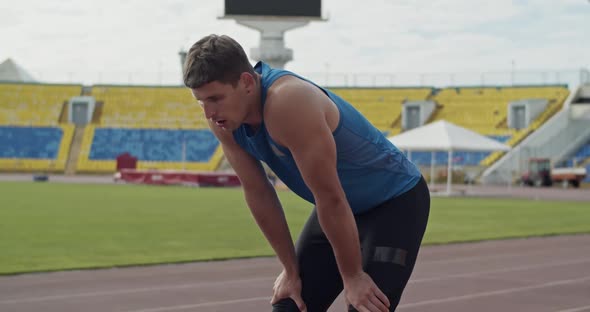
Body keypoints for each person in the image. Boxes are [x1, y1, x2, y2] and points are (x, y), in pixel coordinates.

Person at [183, 34, 430, 312]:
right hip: (338, 206)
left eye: (215, 98)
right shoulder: (223, 121)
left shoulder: (288, 101)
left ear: (247, 82)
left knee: (365, 307)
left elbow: (330, 197)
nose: (209, 113)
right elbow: (258, 192)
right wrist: (290, 270)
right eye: (200, 101)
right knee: (290, 306)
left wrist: (353, 276)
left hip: (394, 202)